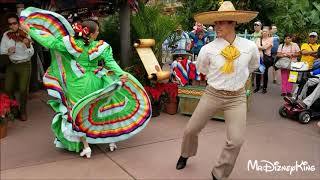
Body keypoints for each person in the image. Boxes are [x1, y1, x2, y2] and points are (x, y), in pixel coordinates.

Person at [20, 7, 151, 158]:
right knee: (102, 109)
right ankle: (111, 140)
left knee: (78, 114)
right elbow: (110, 63)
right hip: (96, 81)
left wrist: (29, 30)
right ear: (92, 33)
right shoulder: (101, 47)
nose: (98, 33)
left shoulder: (69, 44)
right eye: (97, 31)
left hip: (76, 83)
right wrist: (121, 74)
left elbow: (47, 42)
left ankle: (86, 146)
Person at [175, 1, 259, 180]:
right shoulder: (208, 49)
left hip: (236, 97)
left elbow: (252, 67)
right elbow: (203, 69)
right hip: (212, 93)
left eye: (222, 22)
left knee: (236, 141)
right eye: (216, 22)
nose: (217, 26)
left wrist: (236, 80)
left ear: (233, 23)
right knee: (190, 130)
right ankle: (185, 154)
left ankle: (218, 174)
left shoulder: (249, 47)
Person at [0, 13, 34, 121]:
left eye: (14, 23)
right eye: (10, 24)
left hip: (24, 64)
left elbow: (31, 53)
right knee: (8, 88)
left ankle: (23, 111)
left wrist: (28, 45)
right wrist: (8, 51)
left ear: (18, 24)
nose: (12, 26)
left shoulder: (25, 34)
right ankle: (14, 109)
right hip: (12, 64)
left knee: (23, 89)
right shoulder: (6, 35)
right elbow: (1, 50)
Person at [253, 26, 273, 94]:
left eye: (265, 31)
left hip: (266, 58)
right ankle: (257, 87)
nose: (264, 32)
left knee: (265, 73)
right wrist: (261, 47)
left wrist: (260, 47)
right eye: (263, 31)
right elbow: (256, 47)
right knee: (258, 73)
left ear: (268, 32)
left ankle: (264, 88)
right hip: (259, 58)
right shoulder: (258, 39)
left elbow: (265, 48)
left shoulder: (271, 39)